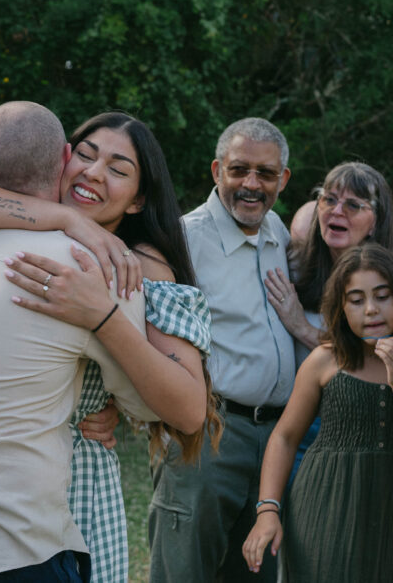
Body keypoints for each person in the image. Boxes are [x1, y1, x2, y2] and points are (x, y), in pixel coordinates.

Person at [0, 101, 193, 582]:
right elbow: (156, 407)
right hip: (10, 549)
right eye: (87, 154)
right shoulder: (91, 266)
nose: (94, 172)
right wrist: (71, 224)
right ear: (64, 158)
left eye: (118, 168)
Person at [242, 244, 393, 581]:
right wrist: (267, 509)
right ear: (341, 308)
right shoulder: (325, 360)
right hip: (321, 511)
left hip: (388, 522)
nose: (371, 309)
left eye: (382, 296)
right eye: (356, 300)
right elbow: (284, 437)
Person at [148, 118, 294, 583]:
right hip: (207, 434)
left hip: (274, 439)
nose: (251, 184)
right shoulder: (181, 240)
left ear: (283, 180)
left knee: (255, 574)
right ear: (216, 171)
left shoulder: (279, 233)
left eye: (266, 174)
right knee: (184, 571)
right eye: (239, 170)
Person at [263, 162, 393, 476]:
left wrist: (301, 327)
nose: (337, 211)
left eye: (353, 204)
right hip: (293, 421)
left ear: (375, 222)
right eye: (329, 199)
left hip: (360, 425)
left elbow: (373, 352)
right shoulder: (296, 265)